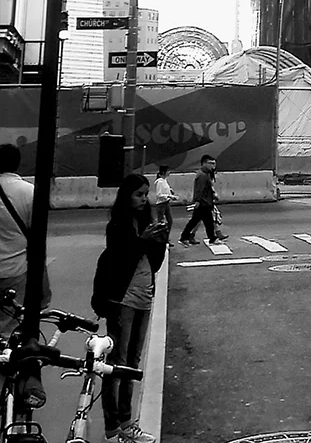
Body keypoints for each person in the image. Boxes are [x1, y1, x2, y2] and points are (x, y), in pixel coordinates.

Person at [97, 173, 166, 443]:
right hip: (122, 299)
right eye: (139, 194)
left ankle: (127, 422)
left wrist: (157, 238)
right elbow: (121, 260)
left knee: (132, 363)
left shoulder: (147, 220)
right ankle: (113, 425)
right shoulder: (117, 226)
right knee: (117, 364)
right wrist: (142, 240)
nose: (144, 199)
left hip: (145, 297)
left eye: (145, 194)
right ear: (126, 196)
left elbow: (155, 262)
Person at [0, 143, 51, 337]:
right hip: (16, 270)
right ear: (18, 164)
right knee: (10, 324)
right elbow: (38, 240)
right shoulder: (30, 192)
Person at [179, 156, 218, 247]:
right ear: (204, 163)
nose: (213, 166)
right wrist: (197, 201)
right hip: (203, 202)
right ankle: (211, 238)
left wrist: (213, 194)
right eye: (210, 163)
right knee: (205, 221)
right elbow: (199, 189)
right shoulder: (202, 175)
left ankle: (184, 237)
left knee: (197, 221)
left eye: (214, 164)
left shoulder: (206, 173)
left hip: (206, 201)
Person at [153, 165, 177, 244]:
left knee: (170, 221)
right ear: (163, 172)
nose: (169, 172)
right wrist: (169, 196)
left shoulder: (164, 180)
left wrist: (170, 190)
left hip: (166, 203)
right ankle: (160, 239)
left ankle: (166, 238)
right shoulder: (159, 182)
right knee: (161, 223)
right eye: (168, 171)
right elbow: (159, 194)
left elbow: (166, 189)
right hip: (161, 204)